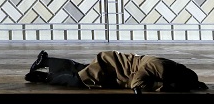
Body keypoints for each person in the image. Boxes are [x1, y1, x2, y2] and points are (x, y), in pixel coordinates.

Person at [24, 49, 208, 92]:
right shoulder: (161, 67)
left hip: (114, 66)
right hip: (114, 67)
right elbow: (137, 81)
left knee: (80, 68)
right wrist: (155, 87)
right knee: (78, 80)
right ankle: (45, 76)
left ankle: (47, 61)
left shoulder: (170, 69)